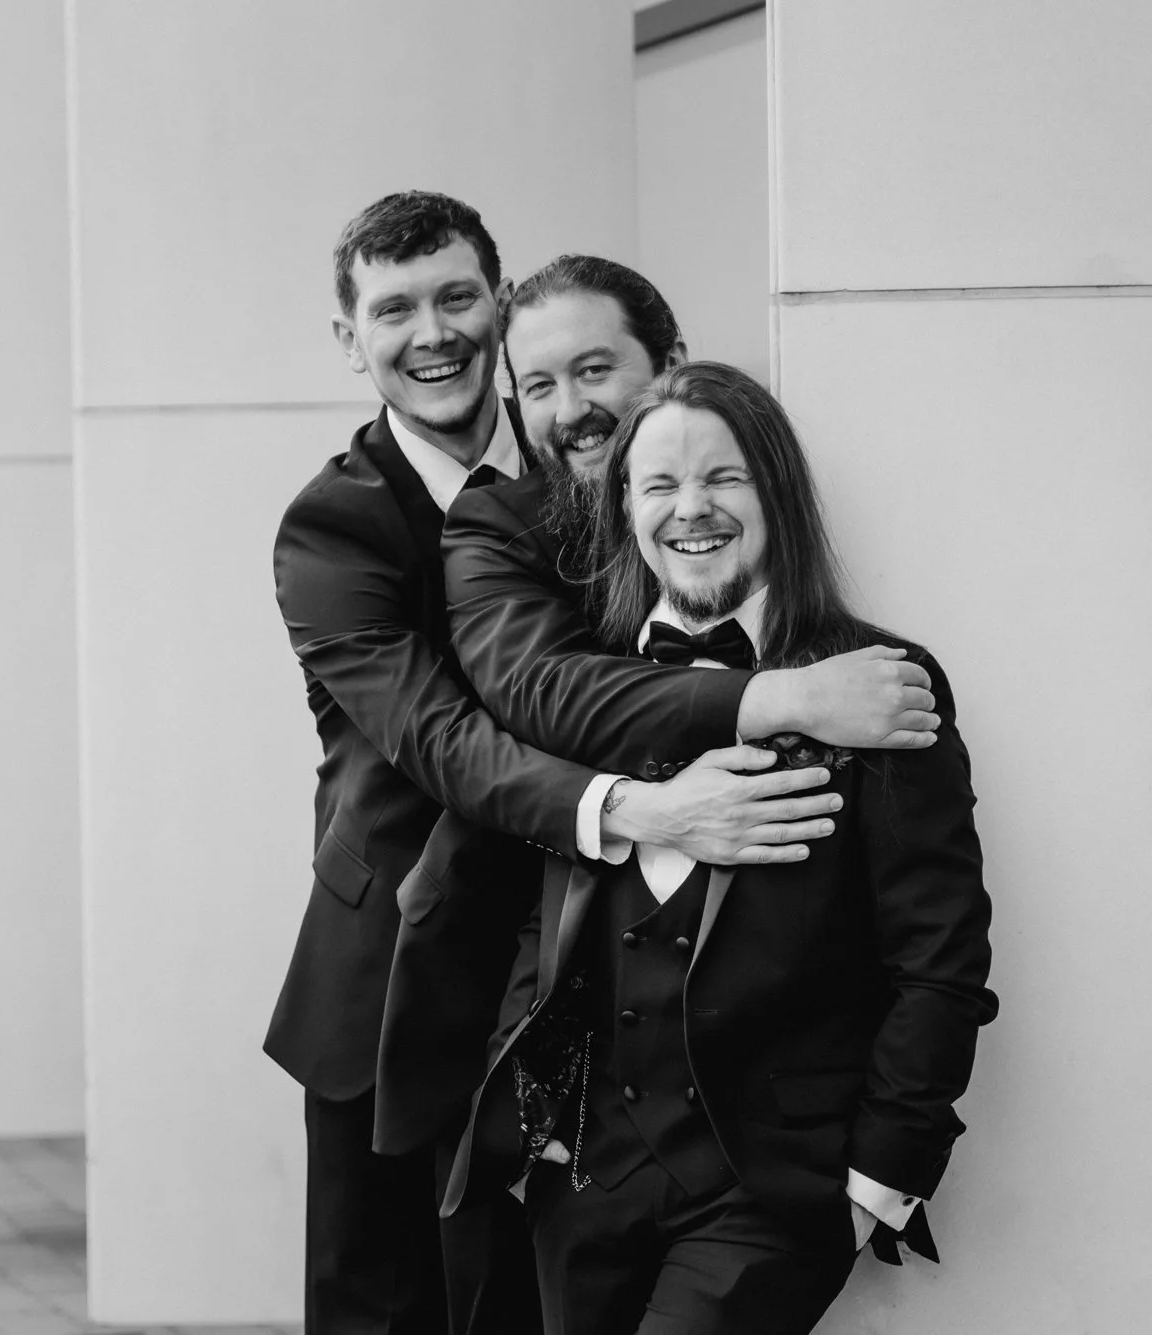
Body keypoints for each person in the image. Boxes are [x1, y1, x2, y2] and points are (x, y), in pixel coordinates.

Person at [271, 197, 883, 1335]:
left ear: (497, 308)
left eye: (457, 298)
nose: (432, 333)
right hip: (397, 979)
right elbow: (449, 738)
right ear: (352, 340)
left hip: (578, 978)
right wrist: (653, 803)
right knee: (387, 1309)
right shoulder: (332, 527)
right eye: (394, 311)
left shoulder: (612, 455)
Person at [442, 361, 998, 1335]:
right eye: (658, 484)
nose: (690, 508)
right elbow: (542, 909)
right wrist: (535, 1121)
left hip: (770, 1188)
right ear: (625, 510)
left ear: (776, 490)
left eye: (722, 477)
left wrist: (882, 1173)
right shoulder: (582, 689)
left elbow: (938, 958)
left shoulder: (874, 684)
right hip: (584, 1180)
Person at [377, 256, 948, 1162]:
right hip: (490, 1024)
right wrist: (781, 702)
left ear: (669, 361)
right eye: (539, 386)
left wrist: (883, 1167)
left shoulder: (864, 667)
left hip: (767, 1144)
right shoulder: (497, 526)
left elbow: (933, 947)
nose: (570, 410)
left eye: (595, 369)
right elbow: (543, 694)